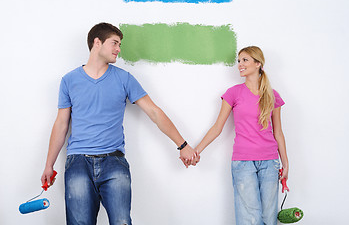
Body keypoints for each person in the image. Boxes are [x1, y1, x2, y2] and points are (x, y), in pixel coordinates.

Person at [41, 22, 198, 225]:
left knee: (122, 222)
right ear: (97, 42)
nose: (118, 50)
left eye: (120, 45)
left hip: (113, 163)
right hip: (78, 163)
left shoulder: (124, 79)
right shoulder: (69, 80)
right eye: (115, 43)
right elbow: (61, 125)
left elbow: (154, 112)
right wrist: (48, 165)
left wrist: (183, 145)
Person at [192, 46, 289, 225]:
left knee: (269, 217)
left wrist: (286, 163)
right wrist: (196, 151)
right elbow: (217, 127)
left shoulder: (273, 96)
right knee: (249, 219)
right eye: (239, 61)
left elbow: (278, 132)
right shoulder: (233, 93)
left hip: (270, 162)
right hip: (243, 163)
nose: (239, 65)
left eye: (245, 60)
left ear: (258, 63)